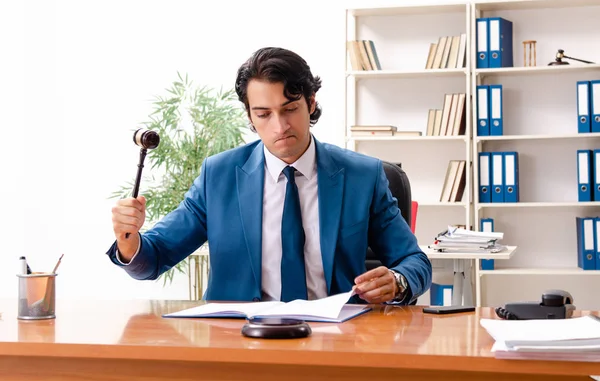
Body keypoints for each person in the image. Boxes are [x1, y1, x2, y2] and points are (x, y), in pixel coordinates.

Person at [107, 47, 432, 305]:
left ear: (311, 102)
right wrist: (129, 241)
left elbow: (414, 261)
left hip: (337, 339)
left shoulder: (364, 176)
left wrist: (398, 281)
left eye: (290, 109)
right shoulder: (218, 176)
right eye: (264, 114)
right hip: (239, 342)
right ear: (249, 115)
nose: (280, 126)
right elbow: (153, 259)